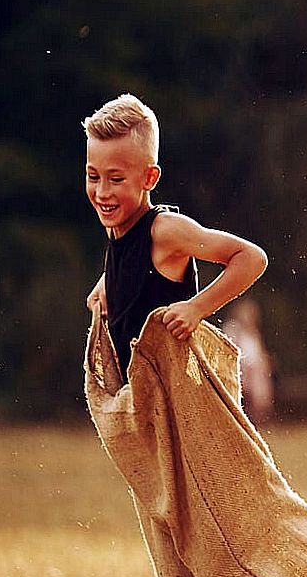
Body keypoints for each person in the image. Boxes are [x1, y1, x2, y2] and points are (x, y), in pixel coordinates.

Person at [82, 93, 268, 378]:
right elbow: (138, 266)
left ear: (149, 178)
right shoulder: (117, 228)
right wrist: (108, 281)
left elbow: (252, 258)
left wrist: (197, 308)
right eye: (93, 176)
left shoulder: (165, 230)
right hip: (139, 398)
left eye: (116, 179)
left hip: (178, 397)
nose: (102, 191)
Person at [220, 297, 275, 423]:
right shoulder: (233, 329)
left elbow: (258, 354)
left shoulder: (253, 333)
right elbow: (229, 352)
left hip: (254, 375)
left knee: (256, 407)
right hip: (241, 374)